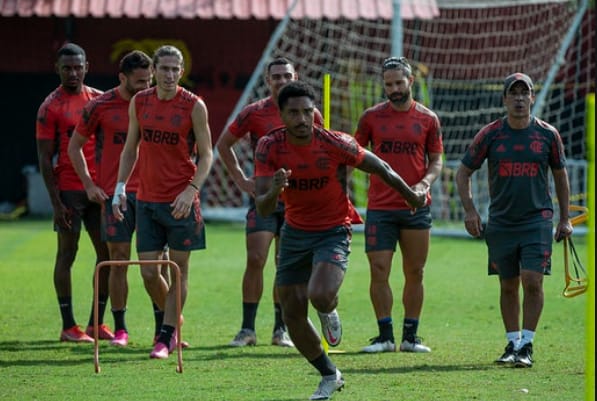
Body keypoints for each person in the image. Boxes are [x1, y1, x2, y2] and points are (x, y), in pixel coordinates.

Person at [254, 81, 426, 400]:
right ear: (281, 114)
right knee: (291, 311)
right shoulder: (269, 146)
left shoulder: (335, 143)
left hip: (333, 228)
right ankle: (330, 374)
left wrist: (411, 196)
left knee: (319, 295)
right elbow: (262, 207)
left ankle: (328, 308)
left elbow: (382, 167)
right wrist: (276, 188)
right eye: (294, 113)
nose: (302, 119)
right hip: (294, 231)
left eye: (307, 112)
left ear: (314, 112)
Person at [455, 72, 572, 368]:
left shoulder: (548, 134)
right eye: (514, 93)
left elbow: (561, 175)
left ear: (532, 97)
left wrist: (565, 219)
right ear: (504, 98)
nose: (519, 98)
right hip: (502, 223)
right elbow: (463, 172)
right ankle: (513, 342)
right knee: (508, 285)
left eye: (525, 92)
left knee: (532, 281)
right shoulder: (490, 134)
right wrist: (470, 210)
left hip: (537, 220)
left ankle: (528, 345)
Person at [112, 44, 213, 359]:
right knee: (147, 271)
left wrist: (191, 190)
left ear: (181, 72)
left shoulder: (194, 106)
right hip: (146, 200)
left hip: (181, 201)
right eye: (164, 68)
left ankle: (165, 336)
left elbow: (208, 154)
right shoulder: (140, 102)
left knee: (179, 269)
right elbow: (131, 148)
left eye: (175, 69)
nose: (169, 75)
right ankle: (175, 319)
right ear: (153, 70)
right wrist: (119, 187)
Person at [217, 57, 323, 348]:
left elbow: (324, 150)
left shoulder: (309, 113)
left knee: (285, 265)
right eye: (275, 76)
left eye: (286, 75)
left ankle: (281, 329)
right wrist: (241, 180)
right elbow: (224, 143)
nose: (281, 80)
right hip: (264, 198)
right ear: (267, 80)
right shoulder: (254, 112)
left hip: (297, 203)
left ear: (295, 76)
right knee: (256, 259)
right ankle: (247, 329)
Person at [68, 50, 170, 347]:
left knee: (159, 264)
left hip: (154, 193)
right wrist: (89, 185)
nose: (145, 86)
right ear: (122, 77)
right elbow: (75, 147)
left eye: (148, 80)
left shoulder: (159, 102)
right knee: (118, 260)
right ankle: (121, 328)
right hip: (117, 195)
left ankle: (163, 331)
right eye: (139, 81)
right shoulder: (100, 105)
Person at [354, 56, 443, 354]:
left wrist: (423, 184)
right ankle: (384, 337)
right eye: (388, 84)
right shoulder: (370, 118)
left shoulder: (428, 119)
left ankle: (410, 337)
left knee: (415, 272)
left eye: (398, 83)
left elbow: (436, 160)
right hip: (380, 208)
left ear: (410, 82)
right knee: (378, 269)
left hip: (416, 207)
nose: (393, 89)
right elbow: (355, 153)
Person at [36, 43, 113, 343]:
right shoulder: (50, 106)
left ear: (87, 67)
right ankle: (69, 326)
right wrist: (55, 203)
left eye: (78, 66)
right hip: (68, 190)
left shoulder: (98, 100)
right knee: (67, 253)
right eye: (67, 67)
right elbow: (44, 158)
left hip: (100, 190)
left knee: (106, 255)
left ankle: (96, 323)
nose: (73, 72)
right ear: (57, 68)